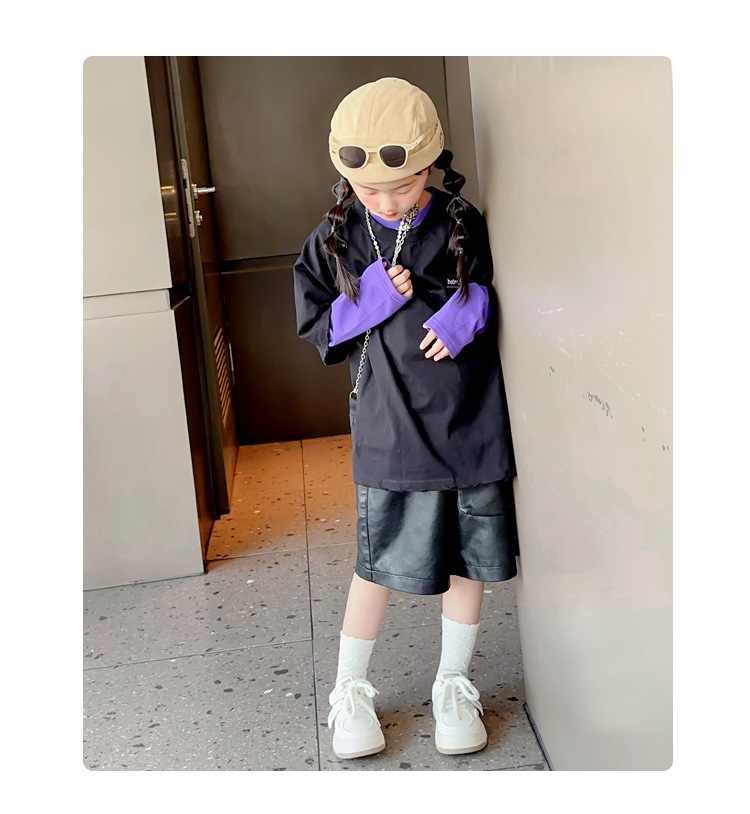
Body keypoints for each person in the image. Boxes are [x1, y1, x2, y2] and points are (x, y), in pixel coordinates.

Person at [293, 77, 519, 760]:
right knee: (376, 562)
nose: (388, 201)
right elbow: (315, 326)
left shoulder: (460, 220)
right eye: (371, 190)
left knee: (468, 559)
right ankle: (349, 690)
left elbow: (490, 287)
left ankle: (453, 684)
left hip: (470, 421)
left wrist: (469, 309)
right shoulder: (336, 238)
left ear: (430, 164)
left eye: (405, 184)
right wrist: (365, 305)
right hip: (391, 427)